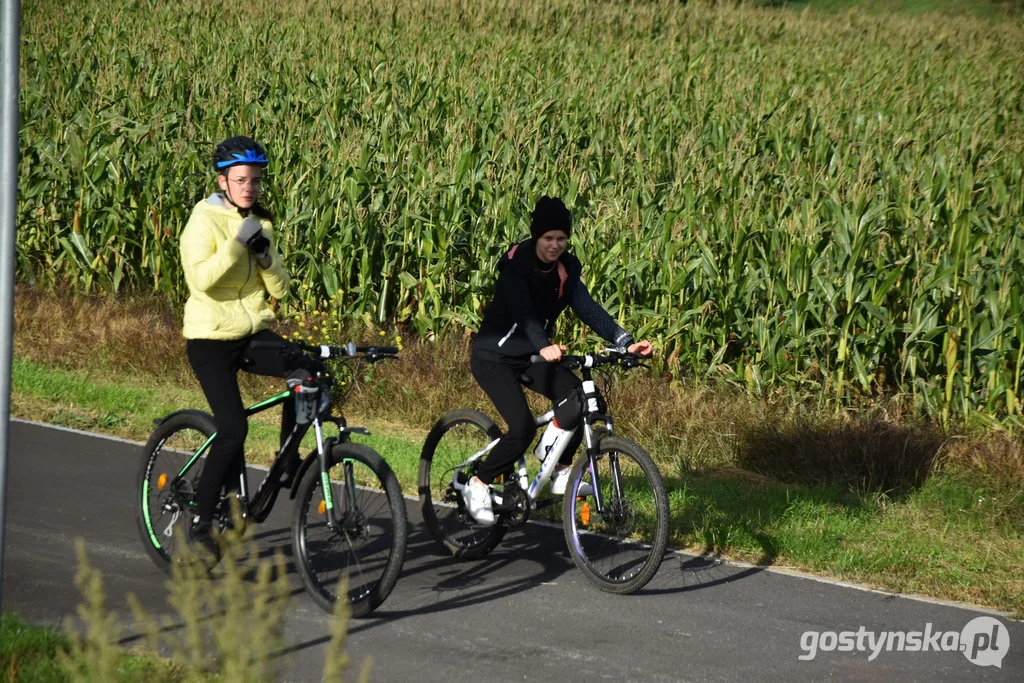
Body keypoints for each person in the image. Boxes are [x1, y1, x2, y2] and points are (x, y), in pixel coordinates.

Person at [465, 196, 653, 525]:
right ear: (536, 238)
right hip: (494, 356)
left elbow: (588, 307)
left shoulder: (566, 269)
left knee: (580, 398)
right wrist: (544, 345)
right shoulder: (517, 268)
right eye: (548, 238)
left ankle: (561, 469)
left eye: (561, 239)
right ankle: (478, 483)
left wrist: (625, 342)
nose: (555, 245)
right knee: (521, 427)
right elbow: (524, 314)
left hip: (533, 355)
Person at [179, 135, 307, 560]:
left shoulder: (262, 224)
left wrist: (265, 256)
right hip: (210, 338)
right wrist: (237, 243)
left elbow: (282, 289)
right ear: (223, 182)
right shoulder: (204, 219)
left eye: (255, 180)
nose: (250, 187)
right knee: (233, 428)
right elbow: (201, 281)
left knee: (307, 370)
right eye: (241, 180)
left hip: (250, 331)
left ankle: (288, 458)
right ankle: (200, 522)